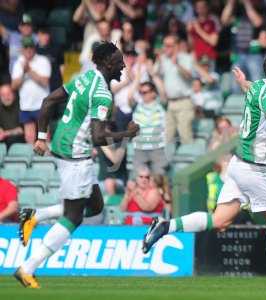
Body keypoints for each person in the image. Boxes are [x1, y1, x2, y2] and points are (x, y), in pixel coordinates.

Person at [143, 51, 266, 290]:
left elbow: (250, 88)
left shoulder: (258, 86)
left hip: (237, 165)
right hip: (254, 169)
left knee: (220, 221)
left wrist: (242, 81)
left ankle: (165, 225)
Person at [14, 41, 140, 289]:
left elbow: (49, 100)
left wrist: (41, 138)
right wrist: (127, 134)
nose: (123, 66)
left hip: (63, 145)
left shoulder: (85, 78)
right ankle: (27, 269)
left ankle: (35, 216)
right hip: (76, 156)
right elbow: (99, 137)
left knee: (95, 206)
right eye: (118, 61)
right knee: (74, 217)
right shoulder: (103, 93)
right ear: (106, 63)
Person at [11, 36, 51, 144]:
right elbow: (14, 86)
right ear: (22, 49)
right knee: (29, 138)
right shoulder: (17, 63)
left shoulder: (43, 61)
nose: (28, 49)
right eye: (26, 47)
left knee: (44, 137)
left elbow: (45, 81)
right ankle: (31, 160)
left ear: (34, 48)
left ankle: (47, 160)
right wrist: (24, 73)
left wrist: (29, 71)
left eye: (31, 47)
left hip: (42, 105)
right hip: (26, 105)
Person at [155, 35, 195, 144]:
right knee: (167, 137)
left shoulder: (186, 58)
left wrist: (177, 64)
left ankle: (190, 160)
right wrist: (158, 61)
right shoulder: (163, 59)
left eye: (168, 46)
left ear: (176, 46)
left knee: (185, 136)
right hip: (170, 103)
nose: (165, 48)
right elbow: (155, 74)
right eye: (164, 45)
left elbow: (189, 76)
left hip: (184, 102)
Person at [221, 0, 265, 83]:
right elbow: (224, 20)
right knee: (236, 85)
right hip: (237, 54)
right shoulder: (236, 12)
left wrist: (247, 3)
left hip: (254, 55)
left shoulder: (259, 9)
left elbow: (258, 22)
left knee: (257, 83)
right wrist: (231, 3)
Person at [131, 81, 168, 176]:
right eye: (141, 92)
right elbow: (129, 97)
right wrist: (137, 78)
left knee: (159, 178)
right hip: (139, 148)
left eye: (145, 92)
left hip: (157, 148)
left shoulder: (161, 105)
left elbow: (163, 93)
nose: (142, 95)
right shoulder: (137, 106)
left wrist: (154, 76)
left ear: (153, 93)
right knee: (139, 178)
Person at [187, 0, 220, 68]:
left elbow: (213, 42)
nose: (200, 9)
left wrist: (198, 29)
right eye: (198, 7)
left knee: (208, 78)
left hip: (208, 57)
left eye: (202, 7)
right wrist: (189, 32)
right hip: (196, 58)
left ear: (207, 8)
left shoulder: (213, 20)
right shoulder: (193, 22)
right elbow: (190, 45)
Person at [36, 26, 64, 92]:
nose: (46, 37)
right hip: (40, 84)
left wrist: (60, 80)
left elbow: (62, 65)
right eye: (43, 34)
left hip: (55, 83)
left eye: (47, 34)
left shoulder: (56, 48)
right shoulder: (34, 50)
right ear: (38, 35)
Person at [0, 83, 24, 148]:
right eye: (3, 95)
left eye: (8, 94)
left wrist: (5, 133)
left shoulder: (21, 107)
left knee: (12, 140)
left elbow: (22, 130)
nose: (6, 97)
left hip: (18, 139)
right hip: (3, 138)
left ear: (14, 94)